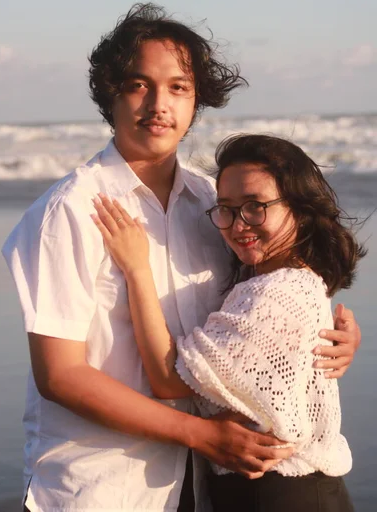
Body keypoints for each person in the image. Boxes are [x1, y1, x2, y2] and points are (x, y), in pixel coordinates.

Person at [2, 3, 360, 512]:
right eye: (138, 84)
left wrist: (335, 335)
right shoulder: (73, 209)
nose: (158, 104)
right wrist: (200, 433)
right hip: (105, 487)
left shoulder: (214, 204)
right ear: (111, 93)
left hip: (204, 486)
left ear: (197, 101)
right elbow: (61, 375)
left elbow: (267, 294)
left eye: (178, 87)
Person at [91, 133, 364, 512]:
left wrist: (137, 268)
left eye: (256, 206)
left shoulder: (274, 291)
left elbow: (169, 378)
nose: (238, 225)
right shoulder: (293, 280)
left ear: (299, 210)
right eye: (227, 208)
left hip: (277, 494)